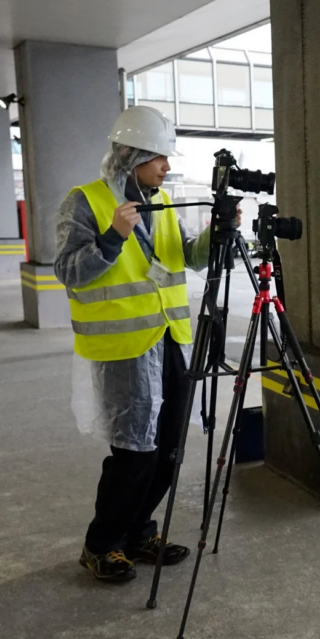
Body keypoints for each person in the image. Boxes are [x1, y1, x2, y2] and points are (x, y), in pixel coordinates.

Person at [56, 105, 236, 582]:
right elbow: (68, 271)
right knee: (135, 452)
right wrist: (112, 238)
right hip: (124, 345)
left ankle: (138, 532)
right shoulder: (85, 201)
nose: (166, 167)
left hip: (170, 339)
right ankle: (102, 544)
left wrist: (217, 235)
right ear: (130, 156)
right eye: (159, 157)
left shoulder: (161, 204)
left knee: (169, 448)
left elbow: (186, 258)